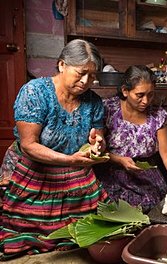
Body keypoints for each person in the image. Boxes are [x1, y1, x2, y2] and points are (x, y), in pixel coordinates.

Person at [0, 39, 109, 258]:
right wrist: (71, 161)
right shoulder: (35, 93)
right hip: (33, 171)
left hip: (74, 174)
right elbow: (29, 145)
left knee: (81, 237)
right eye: (81, 73)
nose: (86, 81)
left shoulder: (94, 102)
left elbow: (99, 138)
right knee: (27, 237)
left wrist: (98, 144)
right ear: (61, 65)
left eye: (92, 75)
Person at [94, 65, 167, 212]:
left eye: (151, 95)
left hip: (145, 171)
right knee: (119, 207)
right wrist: (119, 160)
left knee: (156, 205)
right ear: (125, 91)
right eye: (140, 95)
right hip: (111, 169)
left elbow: (165, 150)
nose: (146, 101)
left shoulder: (158, 115)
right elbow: (96, 149)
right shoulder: (107, 109)